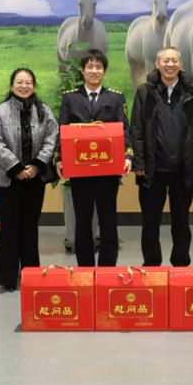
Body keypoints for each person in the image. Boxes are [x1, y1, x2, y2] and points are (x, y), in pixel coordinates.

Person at [130, 46, 193, 267]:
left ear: (181, 65)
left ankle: (181, 263)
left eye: (174, 61)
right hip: (152, 168)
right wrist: (139, 162)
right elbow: (136, 128)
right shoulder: (145, 92)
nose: (170, 64)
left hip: (184, 168)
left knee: (181, 221)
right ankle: (151, 263)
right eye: (166, 60)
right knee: (150, 222)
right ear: (157, 64)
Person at [58, 50, 132, 269]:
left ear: (104, 71)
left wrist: (128, 155)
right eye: (90, 66)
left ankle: (108, 269)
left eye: (98, 67)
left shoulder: (116, 98)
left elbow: (124, 130)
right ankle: (85, 269)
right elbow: (62, 130)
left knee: (108, 220)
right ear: (82, 70)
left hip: (107, 171)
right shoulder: (70, 98)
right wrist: (60, 158)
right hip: (80, 170)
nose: (94, 71)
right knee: (82, 221)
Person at [0, 68, 58, 292]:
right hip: (7, 179)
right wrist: (16, 167)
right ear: (11, 86)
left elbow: (51, 139)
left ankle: (31, 275)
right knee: (9, 227)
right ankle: (8, 278)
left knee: (30, 226)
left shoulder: (44, 111)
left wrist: (36, 165)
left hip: (34, 179)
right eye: (19, 82)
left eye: (28, 82)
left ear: (33, 86)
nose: (24, 86)